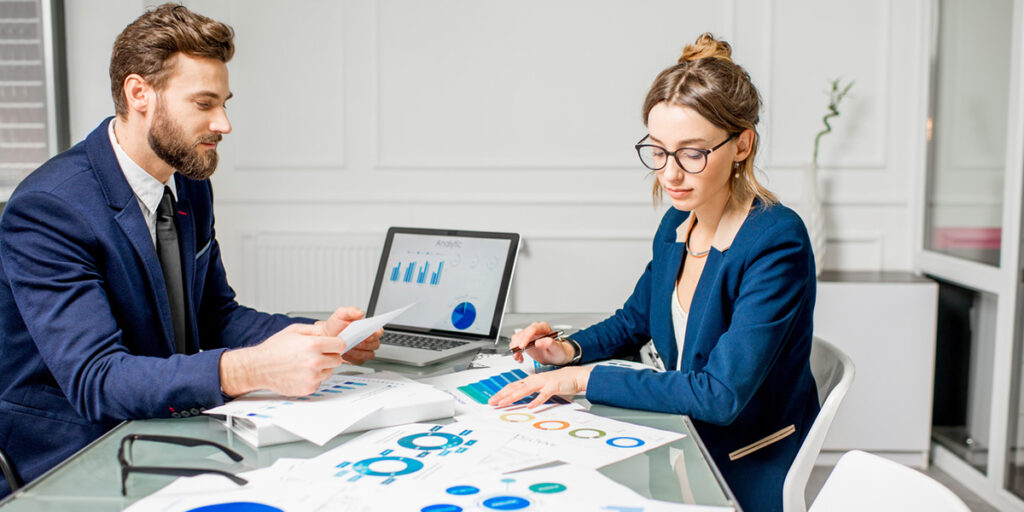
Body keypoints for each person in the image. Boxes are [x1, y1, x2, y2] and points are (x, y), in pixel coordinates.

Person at [0, 4, 380, 497]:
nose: (223, 123)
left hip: (161, 425)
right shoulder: (50, 209)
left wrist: (313, 337)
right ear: (140, 94)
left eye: (225, 102)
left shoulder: (189, 184)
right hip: (69, 456)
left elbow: (214, 314)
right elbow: (97, 379)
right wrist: (252, 369)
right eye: (204, 104)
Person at [489, 33, 820, 512]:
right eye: (659, 151)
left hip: (738, 463)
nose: (669, 174)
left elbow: (720, 395)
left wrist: (580, 379)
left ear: (742, 144)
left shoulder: (776, 241)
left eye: (692, 153)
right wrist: (566, 350)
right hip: (675, 439)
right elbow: (635, 319)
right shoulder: (676, 225)